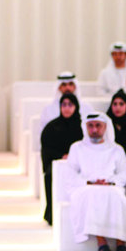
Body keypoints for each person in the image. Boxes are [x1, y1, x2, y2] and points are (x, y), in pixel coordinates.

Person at [65, 113, 126, 251]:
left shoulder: (116, 149)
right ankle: (101, 242)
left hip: (111, 185)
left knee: (116, 196)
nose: (94, 129)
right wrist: (89, 182)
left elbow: (124, 172)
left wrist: (110, 182)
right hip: (86, 187)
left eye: (98, 125)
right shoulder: (77, 148)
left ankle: (120, 242)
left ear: (105, 127)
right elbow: (70, 174)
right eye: (90, 126)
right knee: (92, 195)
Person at [40, 92, 83, 225]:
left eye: (70, 105)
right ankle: (52, 214)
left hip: (79, 165)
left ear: (76, 107)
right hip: (57, 164)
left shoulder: (83, 127)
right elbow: (47, 149)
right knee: (50, 175)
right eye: (64, 105)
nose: (66, 108)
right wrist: (61, 156)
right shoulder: (51, 127)